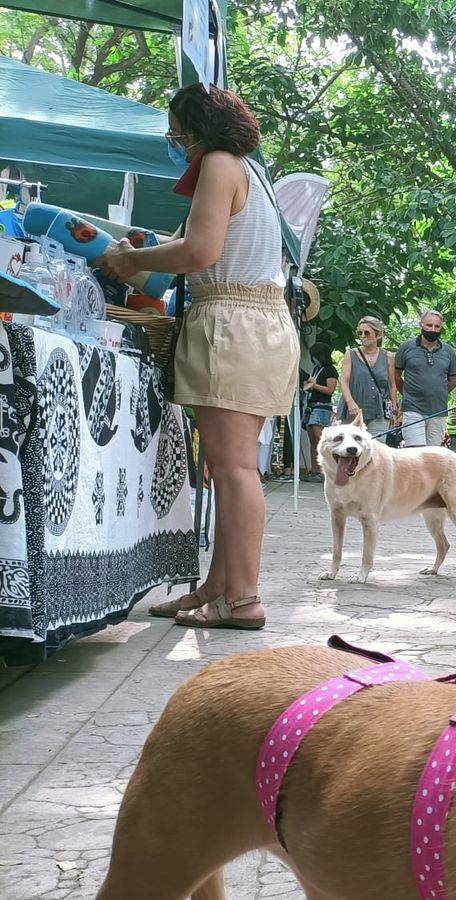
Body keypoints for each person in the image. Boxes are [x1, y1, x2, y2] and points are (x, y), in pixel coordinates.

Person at [101, 83, 297, 630]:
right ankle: (218, 585)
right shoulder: (248, 169)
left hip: (233, 325)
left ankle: (244, 599)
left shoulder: (216, 163)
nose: (175, 142)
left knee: (235, 470)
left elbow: (198, 253)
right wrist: (136, 253)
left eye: (176, 132)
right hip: (259, 324)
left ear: (197, 129)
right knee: (230, 466)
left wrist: (128, 259)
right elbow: (193, 243)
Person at [395, 309, 456, 448]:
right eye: (429, 325)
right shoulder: (406, 348)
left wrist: (439, 392)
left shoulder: (448, 351)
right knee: (415, 454)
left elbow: (454, 380)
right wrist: (408, 394)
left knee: (434, 456)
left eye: (437, 326)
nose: (433, 329)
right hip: (412, 409)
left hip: (439, 410)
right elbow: (395, 376)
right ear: (421, 325)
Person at [338, 316, 398, 437]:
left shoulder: (389, 356)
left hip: (379, 410)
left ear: (378, 335)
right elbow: (343, 380)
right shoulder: (351, 354)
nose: (363, 336)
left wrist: (394, 410)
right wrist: (350, 403)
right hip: (354, 410)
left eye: (367, 333)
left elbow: (392, 386)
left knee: (376, 450)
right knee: (353, 448)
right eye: (360, 333)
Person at [301, 342, 338, 481]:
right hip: (312, 405)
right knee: (312, 439)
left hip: (322, 406)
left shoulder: (330, 370)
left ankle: (325, 470)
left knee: (320, 438)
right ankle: (314, 470)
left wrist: (313, 385)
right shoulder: (316, 369)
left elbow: (330, 390)